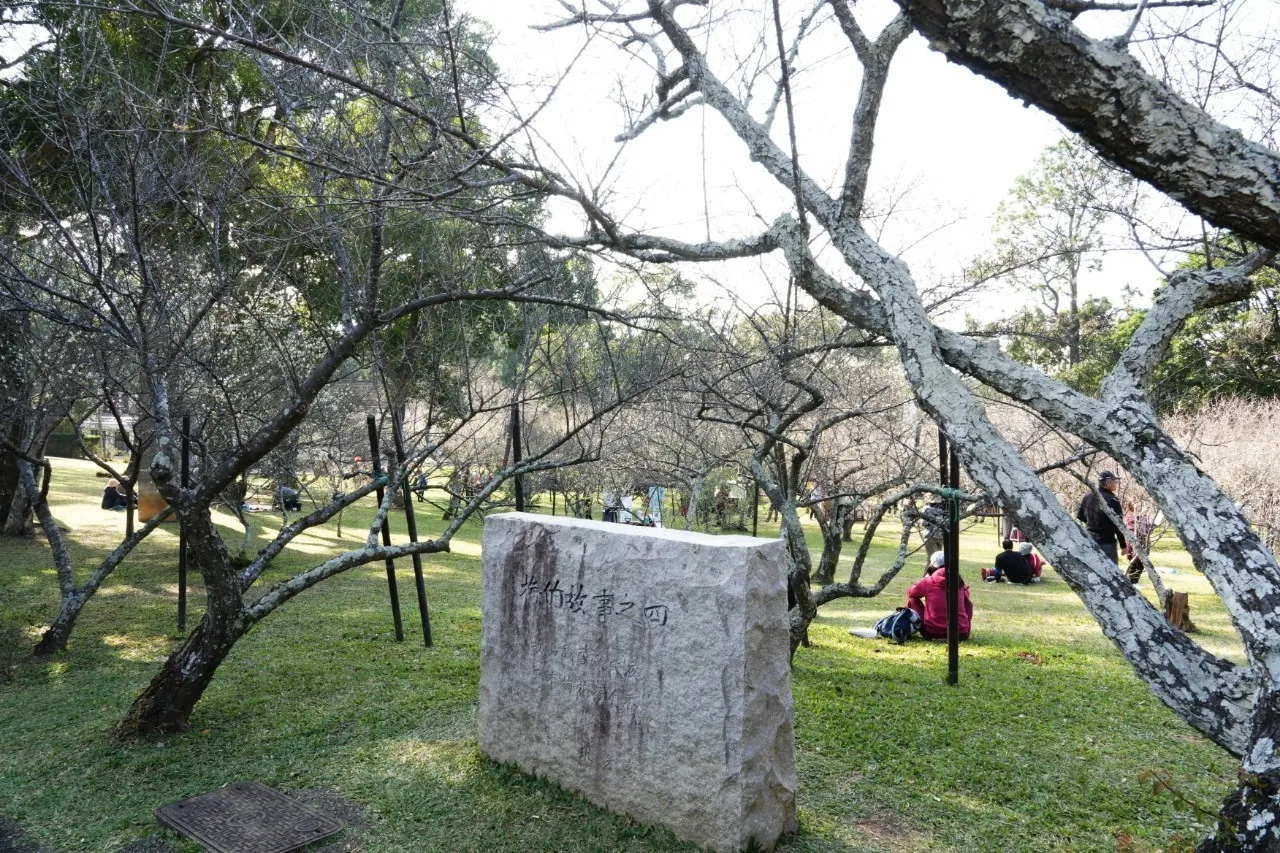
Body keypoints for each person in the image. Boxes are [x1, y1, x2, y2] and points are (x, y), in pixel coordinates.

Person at [906, 551, 973, 640]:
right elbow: (967, 598)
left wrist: (923, 580)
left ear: (933, 565)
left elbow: (911, 593)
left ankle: (902, 626)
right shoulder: (958, 580)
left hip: (931, 632)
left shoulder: (928, 581)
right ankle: (963, 626)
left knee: (912, 600)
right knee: (967, 602)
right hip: (961, 633)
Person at [1076, 470, 1126, 567]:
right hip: (1107, 543)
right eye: (1115, 481)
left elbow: (1081, 517)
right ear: (1108, 483)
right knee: (1111, 573)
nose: (1116, 484)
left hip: (1089, 540)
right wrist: (1123, 545)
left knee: (1093, 570)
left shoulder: (1088, 496)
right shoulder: (1112, 500)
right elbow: (1118, 525)